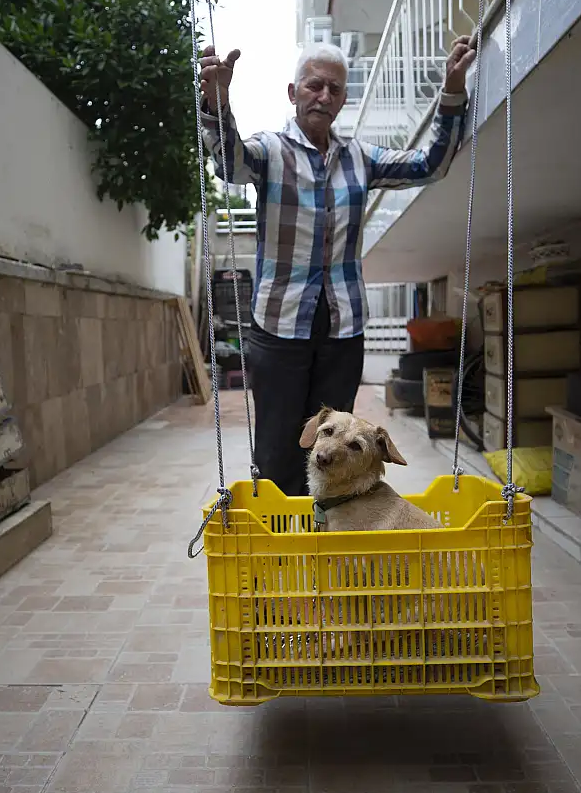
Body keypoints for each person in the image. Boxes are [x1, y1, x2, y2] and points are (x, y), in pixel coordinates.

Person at [198, 36, 476, 497]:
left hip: (343, 327)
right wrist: (217, 103)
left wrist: (451, 89)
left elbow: (431, 165)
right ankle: (284, 550)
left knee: (337, 447)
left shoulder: (360, 159)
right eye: (314, 85)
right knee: (277, 448)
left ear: (344, 99)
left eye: (334, 89)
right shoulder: (270, 152)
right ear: (293, 92)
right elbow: (230, 163)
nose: (324, 96)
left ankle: (327, 542)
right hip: (278, 325)